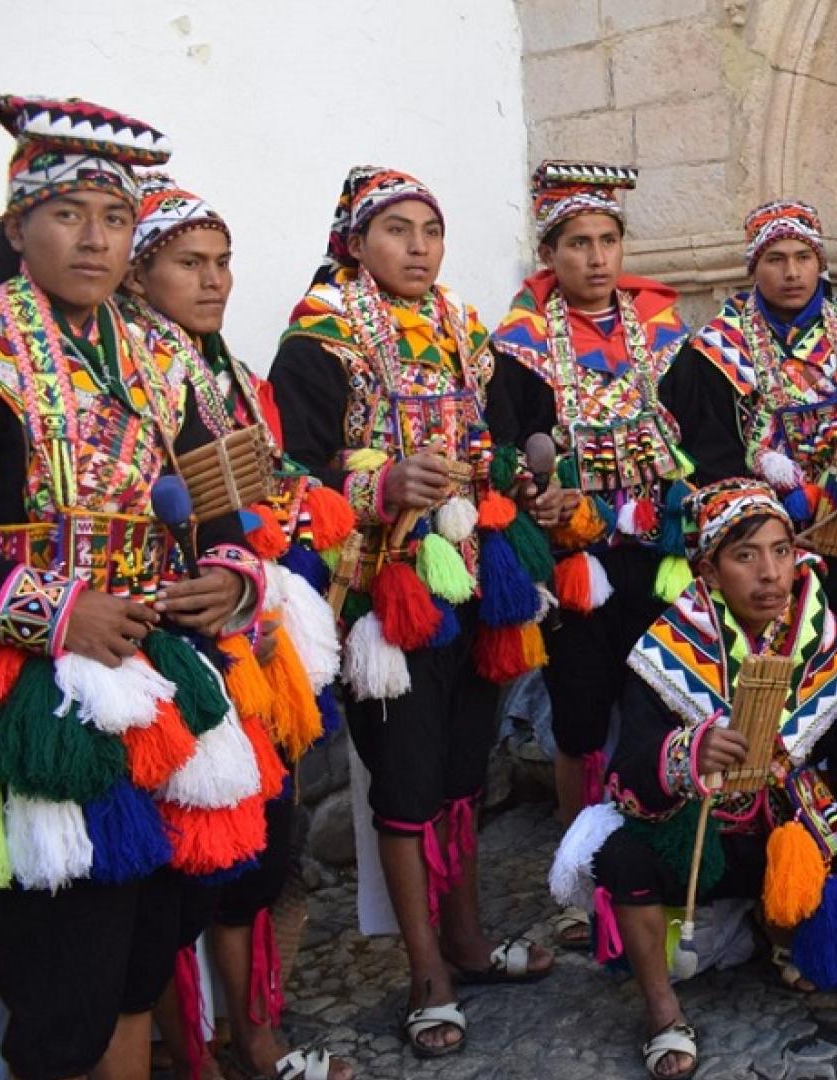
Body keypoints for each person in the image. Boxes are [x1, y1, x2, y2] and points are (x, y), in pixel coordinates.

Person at [0, 94, 272, 1080]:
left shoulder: (154, 347)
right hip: (32, 684)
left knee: (151, 934)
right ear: (20, 224)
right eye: (67, 214)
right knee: (67, 961)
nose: (94, 239)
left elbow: (219, 496)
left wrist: (227, 578)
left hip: (153, 668)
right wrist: (54, 610)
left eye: (112, 217)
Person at [270, 166, 555, 1057]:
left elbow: (503, 434)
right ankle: (425, 971)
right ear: (356, 243)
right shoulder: (316, 341)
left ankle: (467, 940)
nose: (419, 246)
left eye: (430, 228)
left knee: (465, 773)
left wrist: (522, 474)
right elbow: (292, 475)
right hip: (383, 598)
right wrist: (382, 481)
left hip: (475, 583)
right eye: (396, 229)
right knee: (404, 781)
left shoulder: (467, 330)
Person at [548, 479, 837, 1080]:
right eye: (745, 556)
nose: (770, 574)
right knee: (622, 859)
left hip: (793, 825)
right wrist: (688, 754)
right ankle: (663, 1012)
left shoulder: (824, 637)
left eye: (780, 550)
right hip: (703, 830)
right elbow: (628, 769)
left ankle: (775, 923)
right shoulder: (671, 644)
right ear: (709, 567)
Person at [119, 172, 353, 1080]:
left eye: (222, 263)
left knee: (260, 846)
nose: (213, 281)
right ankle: (204, 1054)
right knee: (189, 859)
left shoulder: (237, 377)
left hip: (252, 636)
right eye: (189, 263)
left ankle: (252, 1032)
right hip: (173, 642)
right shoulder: (136, 377)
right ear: (141, 277)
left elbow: (272, 483)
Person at [487, 161, 691, 840]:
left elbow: (699, 434)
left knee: (669, 692)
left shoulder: (664, 335)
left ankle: (662, 837)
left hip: (661, 549)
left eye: (608, 240)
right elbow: (505, 448)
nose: (596, 256)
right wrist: (529, 494)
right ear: (548, 254)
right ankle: (583, 858)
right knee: (579, 711)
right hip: (577, 559)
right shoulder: (519, 349)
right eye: (578, 243)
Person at [663, 199, 837, 662]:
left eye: (803, 257)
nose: (792, 272)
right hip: (760, 543)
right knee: (772, 659)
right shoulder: (717, 347)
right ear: (754, 267)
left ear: (820, 263)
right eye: (776, 259)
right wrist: (765, 496)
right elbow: (707, 450)